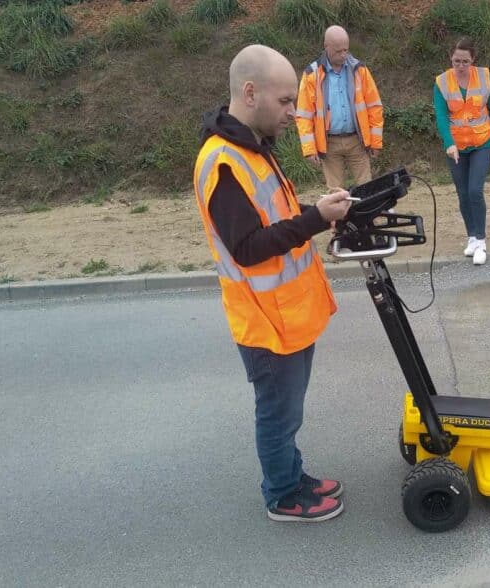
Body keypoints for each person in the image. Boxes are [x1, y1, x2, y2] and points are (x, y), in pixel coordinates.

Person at [193, 45, 352, 523]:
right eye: (285, 101)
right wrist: (316, 220)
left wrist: (315, 213)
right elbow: (247, 247)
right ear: (249, 93)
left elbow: (275, 220)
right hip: (265, 324)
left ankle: (292, 473)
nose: (293, 112)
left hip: (288, 314)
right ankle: (283, 494)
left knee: (289, 413)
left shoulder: (251, 148)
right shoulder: (223, 163)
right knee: (277, 415)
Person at [434, 37, 490, 266]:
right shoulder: (442, 82)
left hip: (482, 142)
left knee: (475, 190)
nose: (461, 66)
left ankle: (482, 241)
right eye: (456, 61)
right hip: (456, 147)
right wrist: (449, 143)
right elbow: (442, 117)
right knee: (462, 193)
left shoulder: (485, 77)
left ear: (473, 59)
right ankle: (472, 237)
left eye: (465, 61)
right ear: (450, 59)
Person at [296, 25, 384, 190]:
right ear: (326, 46)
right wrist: (309, 149)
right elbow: (304, 115)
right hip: (329, 145)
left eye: (346, 49)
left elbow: (374, 107)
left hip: (357, 142)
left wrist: (376, 142)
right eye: (338, 51)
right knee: (335, 195)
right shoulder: (311, 75)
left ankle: (368, 217)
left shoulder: (360, 70)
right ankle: (340, 218)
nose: (344, 55)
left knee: (368, 191)